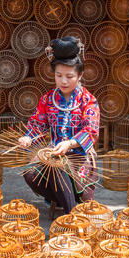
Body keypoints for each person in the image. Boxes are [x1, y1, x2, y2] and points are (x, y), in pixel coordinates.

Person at [18, 36, 100, 214]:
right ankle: (63, 198)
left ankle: (71, 216)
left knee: (58, 168)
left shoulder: (88, 100)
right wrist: (28, 136)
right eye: (59, 75)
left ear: (80, 75)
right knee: (30, 174)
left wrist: (70, 143)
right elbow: (37, 123)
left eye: (69, 76)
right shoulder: (48, 99)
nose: (63, 81)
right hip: (53, 153)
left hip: (79, 156)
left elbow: (91, 131)